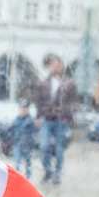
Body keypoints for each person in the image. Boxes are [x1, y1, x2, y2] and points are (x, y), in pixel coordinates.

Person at [35, 54, 77, 184]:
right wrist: (38, 116)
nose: (56, 67)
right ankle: (48, 171)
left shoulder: (69, 83)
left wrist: (67, 116)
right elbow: (39, 100)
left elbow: (74, 102)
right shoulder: (44, 82)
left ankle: (58, 173)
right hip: (46, 119)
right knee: (44, 146)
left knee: (59, 148)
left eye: (58, 65)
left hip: (60, 120)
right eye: (53, 64)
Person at [8, 100, 36, 179]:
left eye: (25, 109)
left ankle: (28, 178)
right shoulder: (17, 119)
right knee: (16, 163)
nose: (23, 110)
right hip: (17, 144)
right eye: (21, 108)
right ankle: (16, 179)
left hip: (26, 145)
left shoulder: (30, 121)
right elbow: (12, 130)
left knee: (28, 164)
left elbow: (32, 134)